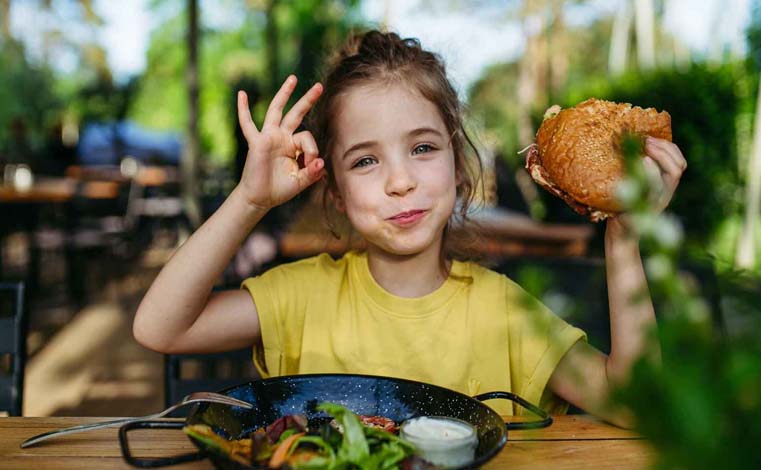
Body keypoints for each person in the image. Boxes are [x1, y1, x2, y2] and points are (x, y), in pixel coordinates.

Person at [133, 30, 687, 426]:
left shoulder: (506, 313)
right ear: (337, 194)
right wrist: (249, 200)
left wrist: (624, 240)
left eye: (422, 148)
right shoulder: (299, 296)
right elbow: (161, 329)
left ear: (458, 163)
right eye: (366, 161)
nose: (400, 181)